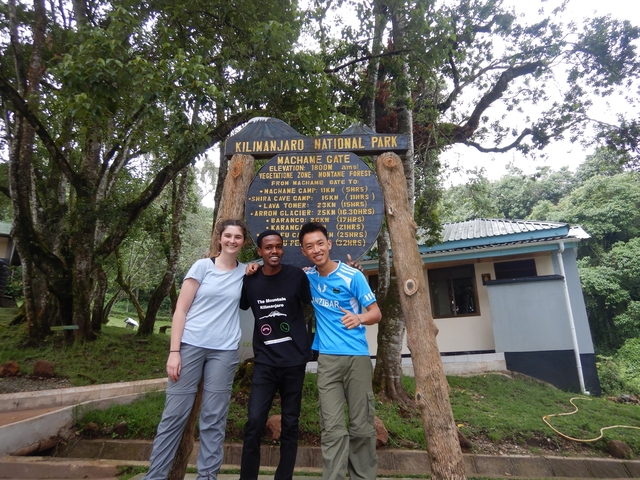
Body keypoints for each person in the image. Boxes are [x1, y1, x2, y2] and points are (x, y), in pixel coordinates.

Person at [143, 219, 248, 480]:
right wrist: (174, 351)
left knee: (214, 418)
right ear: (219, 238)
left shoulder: (246, 272)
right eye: (228, 236)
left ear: (244, 242)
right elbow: (180, 310)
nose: (232, 241)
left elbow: (276, 272)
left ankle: (207, 477)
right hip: (190, 347)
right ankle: (155, 476)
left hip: (224, 352)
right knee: (174, 415)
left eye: (238, 237)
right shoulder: (202, 267)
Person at [298, 221, 382, 480]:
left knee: (361, 426)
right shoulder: (307, 277)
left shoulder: (352, 275)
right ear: (304, 252)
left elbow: (376, 313)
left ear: (329, 244)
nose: (316, 249)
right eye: (309, 246)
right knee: (332, 427)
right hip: (327, 360)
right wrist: (253, 266)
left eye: (320, 243)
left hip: (357, 358)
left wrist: (359, 318)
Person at [238, 229, 312, 480]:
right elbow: (240, 302)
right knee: (255, 422)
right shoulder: (251, 280)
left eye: (278, 247)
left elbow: (315, 299)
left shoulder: (295, 276)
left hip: (294, 362)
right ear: (259, 252)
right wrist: (247, 270)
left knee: (291, 423)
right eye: (268, 247)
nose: (274, 251)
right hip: (265, 363)